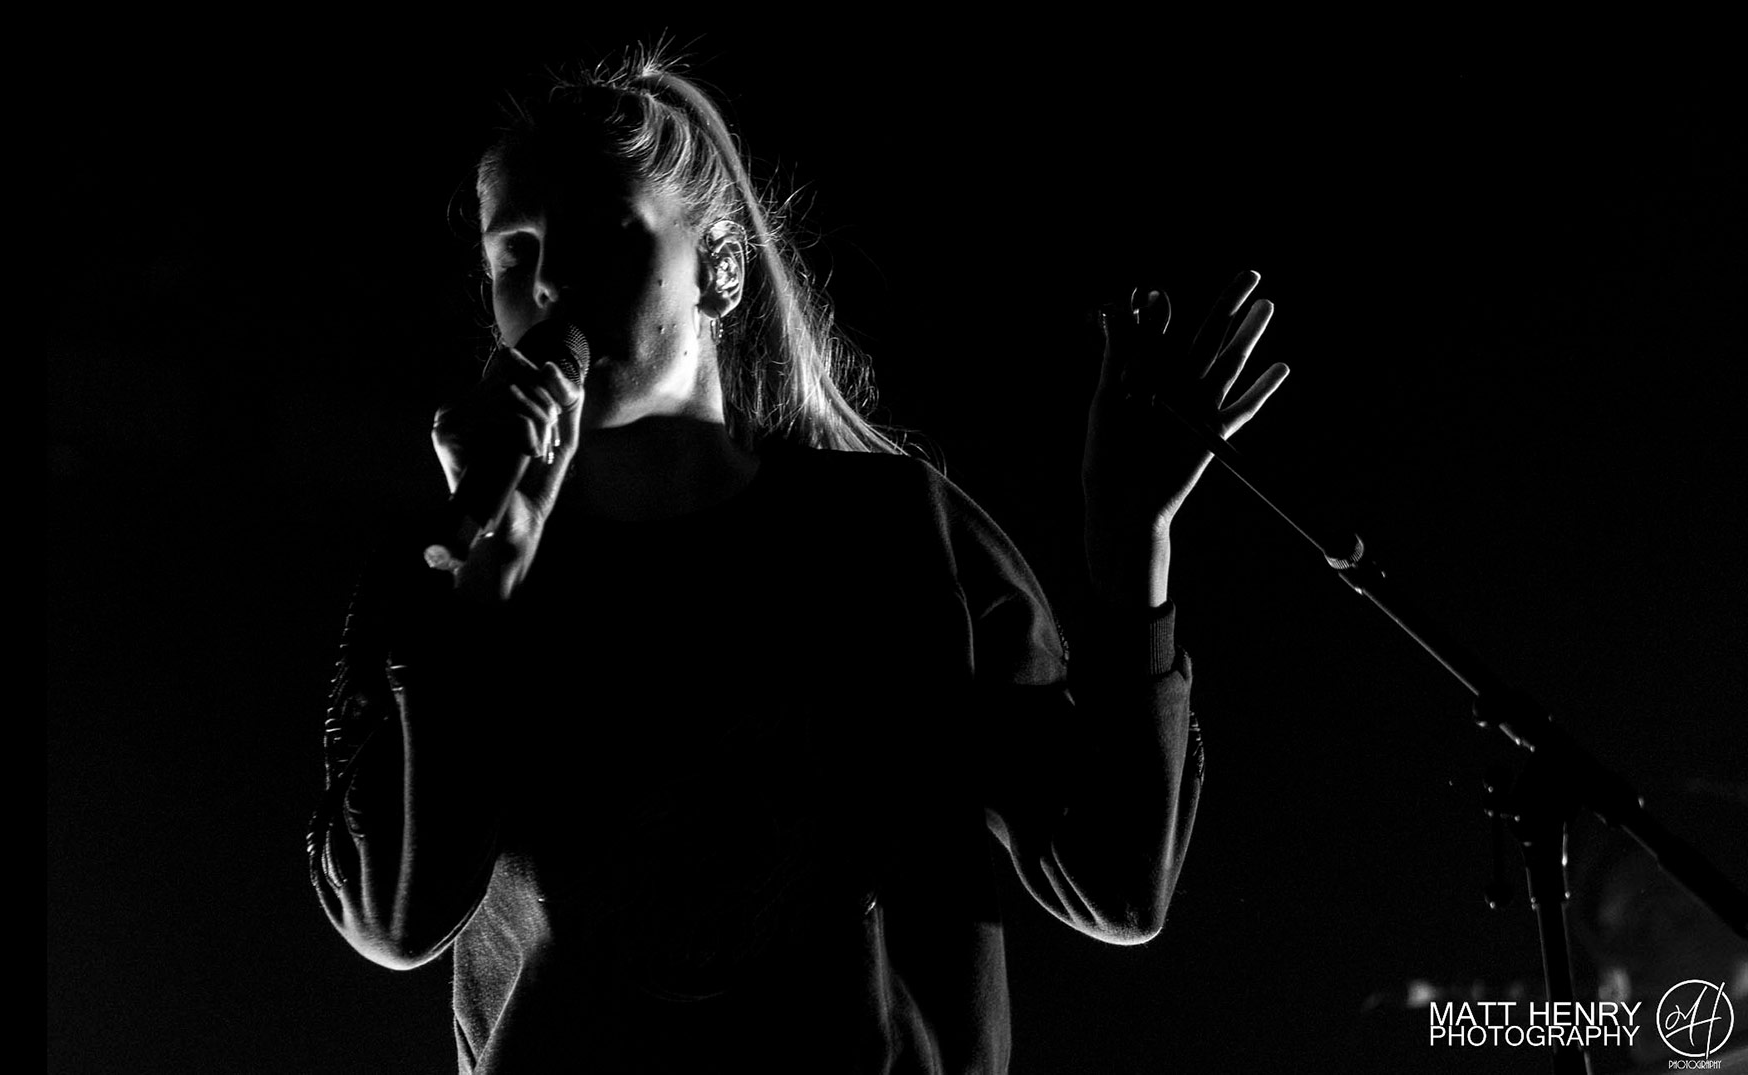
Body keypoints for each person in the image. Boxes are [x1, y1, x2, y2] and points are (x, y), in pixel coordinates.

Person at [307, 48, 1289, 1074]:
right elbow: (394, 922)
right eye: (514, 252)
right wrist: (478, 596)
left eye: (601, 234)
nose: (550, 281)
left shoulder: (892, 533)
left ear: (721, 270)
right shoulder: (443, 572)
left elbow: (1115, 881)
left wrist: (1131, 549)